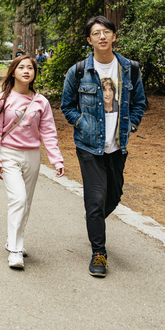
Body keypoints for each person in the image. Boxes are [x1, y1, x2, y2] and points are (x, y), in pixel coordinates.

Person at [61, 15, 146, 277]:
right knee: (96, 199)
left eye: (106, 31)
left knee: (114, 196)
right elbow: (67, 106)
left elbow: (140, 103)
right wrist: (83, 123)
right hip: (89, 146)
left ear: (114, 36)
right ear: (89, 40)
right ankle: (99, 253)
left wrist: (131, 125)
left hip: (117, 145)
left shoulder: (130, 68)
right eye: (96, 33)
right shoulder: (78, 71)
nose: (102, 36)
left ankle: (93, 219)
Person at [0, 55, 65, 270]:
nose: (26, 71)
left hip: (32, 155)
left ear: (34, 73)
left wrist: (56, 159)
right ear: (13, 72)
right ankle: (14, 250)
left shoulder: (41, 101)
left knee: (26, 202)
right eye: (21, 67)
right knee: (18, 199)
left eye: (30, 67)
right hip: (9, 154)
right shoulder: (2, 100)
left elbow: (48, 132)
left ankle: (15, 240)